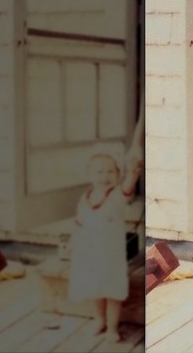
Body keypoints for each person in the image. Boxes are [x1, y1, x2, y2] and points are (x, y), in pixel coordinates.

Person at [68, 142, 143, 342]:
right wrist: (73, 241)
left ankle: (112, 327)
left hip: (110, 254)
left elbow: (129, 185)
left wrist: (133, 172)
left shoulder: (117, 195)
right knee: (95, 288)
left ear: (118, 174)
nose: (105, 176)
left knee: (112, 290)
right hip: (90, 251)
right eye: (99, 172)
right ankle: (99, 320)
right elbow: (79, 222)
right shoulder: (86, 197)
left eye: (110, 171)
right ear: (89, 174)